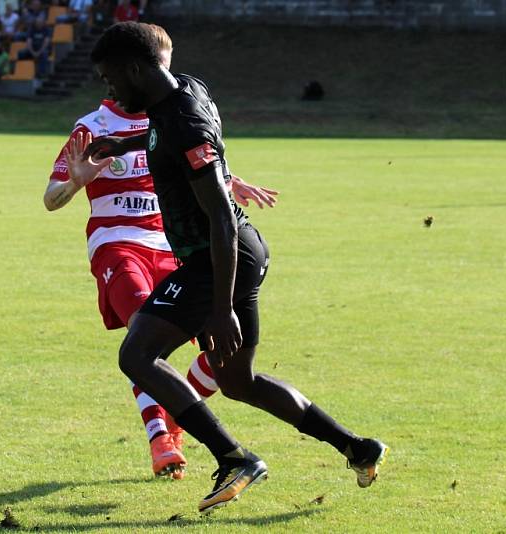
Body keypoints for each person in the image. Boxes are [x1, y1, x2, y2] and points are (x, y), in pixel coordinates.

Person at [85, 22, 387, 513]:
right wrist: (124, 147)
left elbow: (221, 218)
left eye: (109, 78)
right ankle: (358, 447)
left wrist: (220, 308)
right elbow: (168, 139)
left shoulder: (184, 120)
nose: (109, 89)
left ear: (135, 69)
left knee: (137, 355)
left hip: (219, 257)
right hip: (238, 256)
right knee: (238, 381)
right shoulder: (185, 87)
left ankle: (233, 458)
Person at [44, 24, 278, 480]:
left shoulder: (164, 115)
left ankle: (176, 417)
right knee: (141, 339)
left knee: (218, 352)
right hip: (118, 245)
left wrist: (232, 180)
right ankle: (160, 438)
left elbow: (195, 161)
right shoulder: (92, 128)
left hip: (172, 248)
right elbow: (51, 197)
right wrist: (76, 180)